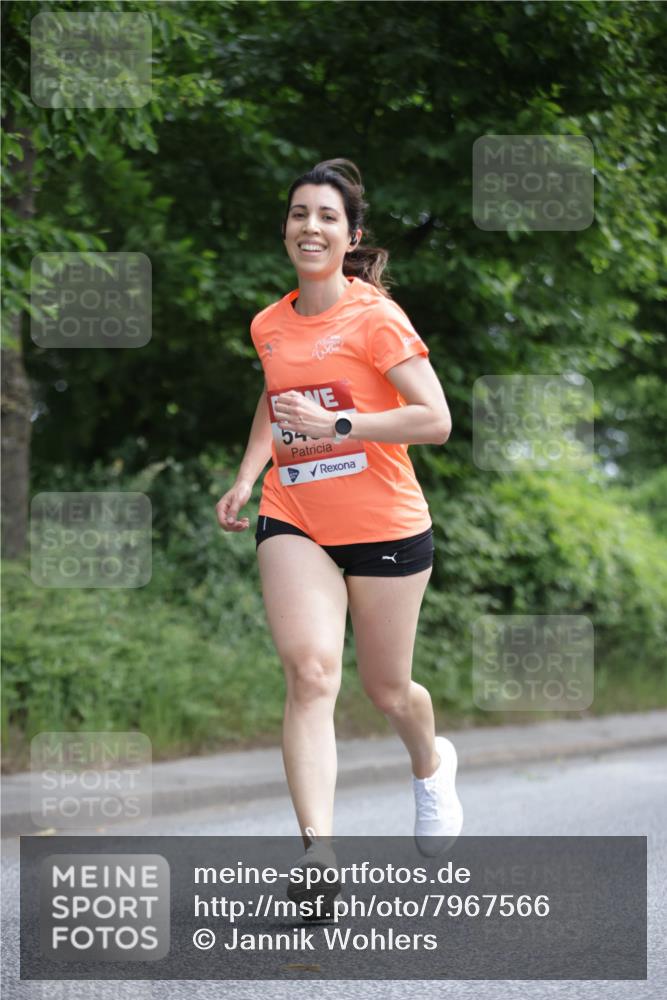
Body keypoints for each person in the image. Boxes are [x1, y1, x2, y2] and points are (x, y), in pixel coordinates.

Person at [216, 159, 463, 911]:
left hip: (384, 522)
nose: (309, 227)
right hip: (295, 512)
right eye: (298, 214)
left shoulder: (375, 317)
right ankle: (318, 854)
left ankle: (430, 764)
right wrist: (246, 471)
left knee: (386, 689)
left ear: (349, 235)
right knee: (311, 673)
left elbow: (436, 420)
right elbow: (275, 397)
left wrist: (341, 424)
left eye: (325, 216)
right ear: (285, 229)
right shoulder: (268, 322)